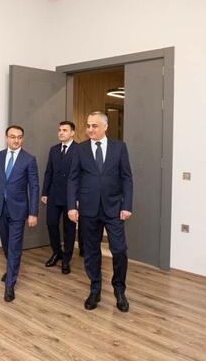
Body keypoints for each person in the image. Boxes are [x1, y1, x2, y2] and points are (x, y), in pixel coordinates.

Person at [67, 111, 133, 312]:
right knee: (91, 250)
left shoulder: (119, 147)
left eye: (94, 126)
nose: (90, 129)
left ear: (105, 126)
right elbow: (73, 178)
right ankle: (95, 289)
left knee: (119, 250)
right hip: (88, 209)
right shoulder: (80, 149)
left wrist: (127, 205)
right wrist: (71, 206)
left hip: (114, 208)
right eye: (88, 125)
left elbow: (126, 178)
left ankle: (119, 290)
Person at [0, 125, 39, 302]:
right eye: (13, 137)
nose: (16, 140)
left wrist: (33, 213)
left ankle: (10, 284)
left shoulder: (29, 159)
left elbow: (34, 187)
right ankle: (11, 268)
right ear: (6, 138)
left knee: (14, 246)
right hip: (0, 207)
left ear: (22, 139)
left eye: (19, 137)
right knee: (6, 244)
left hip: (19, 210)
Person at [41, 121, 80, 274]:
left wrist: (78, 198)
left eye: (64, 130)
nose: (61, 132)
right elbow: (48, 172)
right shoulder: (54, 150)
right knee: (51, 224)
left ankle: (66, 259)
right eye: (59, 130)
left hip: (71, 197)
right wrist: (45, 192)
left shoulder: (79, 149)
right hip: (53, 194)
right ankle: (57, 252)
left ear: (72, 133)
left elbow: (82, 176)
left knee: (69, 229)